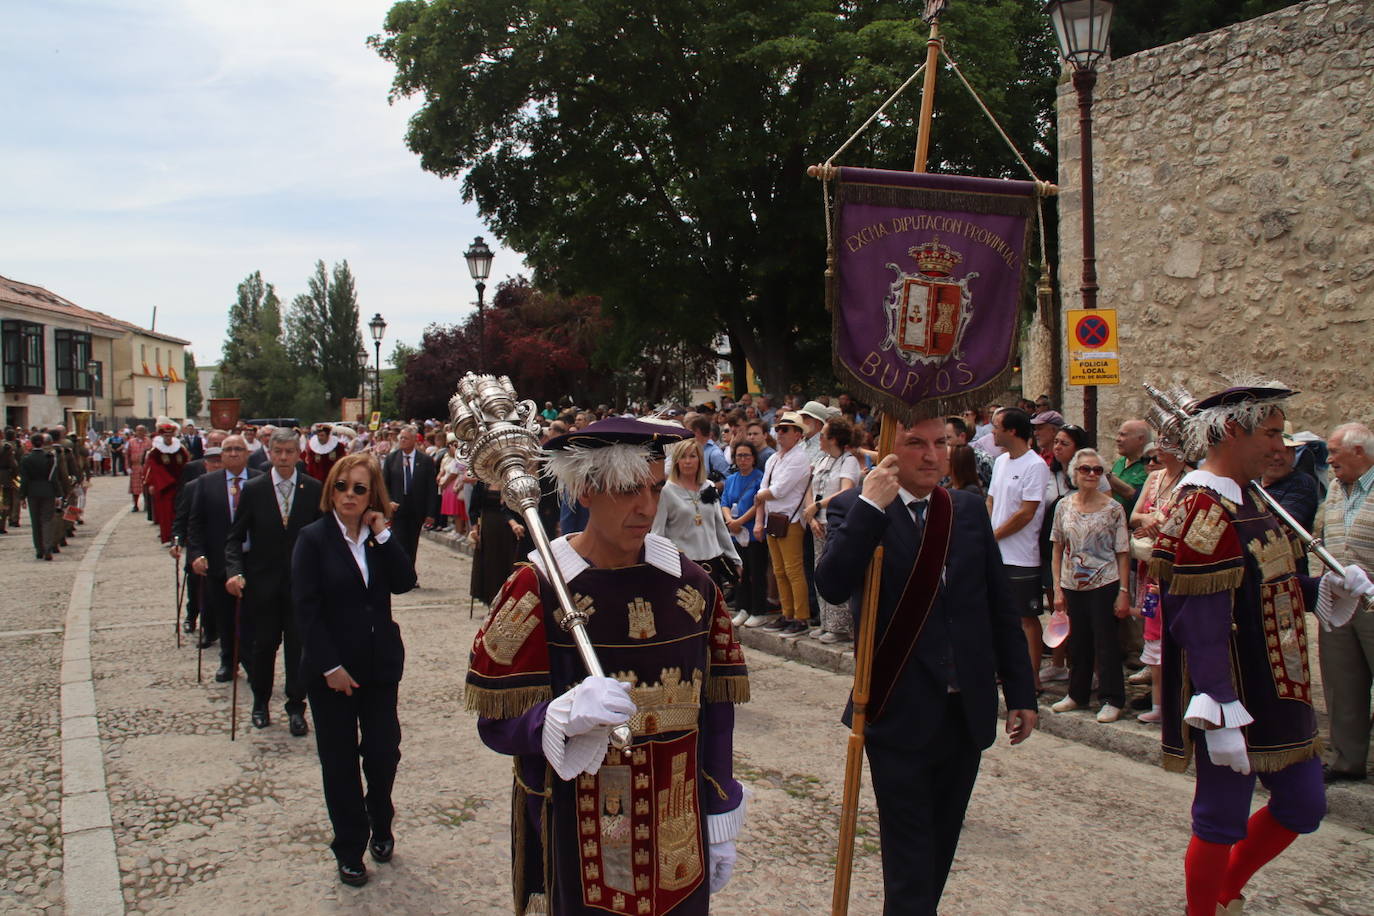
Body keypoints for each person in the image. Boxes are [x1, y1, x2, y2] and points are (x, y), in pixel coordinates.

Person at [466, 417, 749, 916]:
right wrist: (556, 718)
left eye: (655, 488)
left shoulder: (692, 587)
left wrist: (721, 810)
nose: (645, 506)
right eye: (626, 489)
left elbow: (716, 714)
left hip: (677, 832)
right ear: (587, 491)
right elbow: (496, 720)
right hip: (580, 834)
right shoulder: (537, 588)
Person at [1147, 381, 1374, 916]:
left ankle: (1226, 888)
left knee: (1303, 804)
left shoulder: (1251, 496)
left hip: (1280, 684)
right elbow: (1195, 618)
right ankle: (1206, 907)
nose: (1282, 446)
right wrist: (1218, 705)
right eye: (1271, 434)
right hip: (1234, 690)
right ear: (1230, 432)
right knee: (1220, 818)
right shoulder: (1203, 508)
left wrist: (1329, 587)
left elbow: (1268, 585)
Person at [815, 415, 1037, 915]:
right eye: (916, 444)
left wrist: (1021, 692)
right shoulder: (858, 507)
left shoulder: (965, 509)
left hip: (965, 710)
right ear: (890, 447)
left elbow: (998, 605)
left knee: (939, 847)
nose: (932, 456)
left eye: (942, 443)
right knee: (909, 853)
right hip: (897, 705)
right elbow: (831, 583)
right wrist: (873, 503)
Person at [292, 453, 417, 887]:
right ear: (331, 489)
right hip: (333, 673)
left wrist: (383, 534)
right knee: (339, 762)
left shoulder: (377, 538)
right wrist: (330, 665)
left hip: (379, 666)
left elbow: (404, 581)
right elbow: (305, 610)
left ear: (372, 495)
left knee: (383, 754)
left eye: (359, 488)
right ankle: (349, 846)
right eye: (342, 486)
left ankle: (380, 822)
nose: (349, 495)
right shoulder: (313, 539)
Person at [226, 428, 323, 735]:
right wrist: (234, 571)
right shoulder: (254, 490)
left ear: (298, 454)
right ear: (269, 453)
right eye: (277, 451)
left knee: (298, 649)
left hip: (300, 588)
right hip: (262, 585)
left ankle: (296, 707)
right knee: (263, 647)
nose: (283, 458)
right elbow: (235, 538)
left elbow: (323, 538)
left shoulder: (313, 488)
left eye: (289, 452)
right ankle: (260, 702)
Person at [1047, 448, 1131, 723]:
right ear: (1075, 473)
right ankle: (1077, 693)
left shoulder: (1113, 509)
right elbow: (1057, 549)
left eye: (1097, 470)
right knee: (1078, 642)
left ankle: (1111, 698)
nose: (1092, 474)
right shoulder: (1064, 506)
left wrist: (1123, 592)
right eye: (1085, 469)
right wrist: (1058, 588)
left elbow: (1122, 551)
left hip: (1104, 581)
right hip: (1073, 582)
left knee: (1106, 642)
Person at [1314, 422, 1374, 784]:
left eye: (1335, 451)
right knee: (1341, 680)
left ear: (1359, 452)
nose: (1329, 458)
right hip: (1339, 600)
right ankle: (1347, 759)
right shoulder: (1335, 487)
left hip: (1373, 600)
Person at [986, 407, 1053, 691]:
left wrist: (995, 535)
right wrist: (987, 531)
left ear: (1012, 431)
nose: (992, 432)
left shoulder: (1035, 465)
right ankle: (1004, 668)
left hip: (1021, 556)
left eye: (996, 426)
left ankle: (1031, 676)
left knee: (1026, 618)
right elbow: (991, 500)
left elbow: (1027, 512)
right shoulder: (1001, 461)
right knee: (999, 615)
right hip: (997, 551)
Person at [187, 435, 262, 683]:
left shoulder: (261, 480)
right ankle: (228, 660)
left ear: (247, 452)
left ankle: (253, 663)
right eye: (228, 449)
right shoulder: (206, 483)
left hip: (254, 559)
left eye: (238, 449)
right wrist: (196, 554)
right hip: (218, 560)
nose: (232, 454)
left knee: (252, 617)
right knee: (225, 615)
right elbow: (195, 523)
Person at [1127, 434, 1190, 724]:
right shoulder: (1155, 479)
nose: (1157, 453)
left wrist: (1158, 523)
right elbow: (1135, 515)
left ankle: (1181, 698)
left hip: (1177, 564)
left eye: (1165, 447)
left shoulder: (1192, 480)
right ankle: (1159, 702)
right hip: (1151, 564)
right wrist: (1150, 521)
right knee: (1153, 626)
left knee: (1177, 629)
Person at [750, 411, 812, 633]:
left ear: (798, 434)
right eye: (778, 429)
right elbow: (766, 491)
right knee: (779, 570)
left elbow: (778, 490)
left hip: (791, 519)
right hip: (774, 518)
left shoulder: (800, 458)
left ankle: (801, 617)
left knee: (793, 569)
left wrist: (761, 496)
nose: (780, 433)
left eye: (785, 429)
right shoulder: (775, 458)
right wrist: (760, 514)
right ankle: (787, 613)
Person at [803, 416, 862, 644]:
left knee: (835, 570)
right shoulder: (823, 460)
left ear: (834, 439)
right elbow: (810, 485)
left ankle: (840, 626)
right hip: (817, 522)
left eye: (824, 435)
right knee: (819, 570)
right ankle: (826, 622)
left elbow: (846, 491)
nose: (820, 439)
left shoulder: (849, 462)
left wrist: (818, 505)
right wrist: (811, 514)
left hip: (836, 522)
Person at [653, 438, 740, 589]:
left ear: (699, 460)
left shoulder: (709, 486)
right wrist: (659, 566)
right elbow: (658, 532)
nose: (688, 461)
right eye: (683, 456)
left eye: (692, 456)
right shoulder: (666, 491)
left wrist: (735, 559)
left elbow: (720, 528)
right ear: (676, 461)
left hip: (711, 562)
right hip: (682, 565)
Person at [722, 441, 765, 628]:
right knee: (739, 572)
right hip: (734, 532)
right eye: (739, 455)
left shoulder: (759, 477)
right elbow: (724, 501)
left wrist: (739, 521)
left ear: (753, 458)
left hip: (752, 531)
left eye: (746, 455)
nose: (742, 459)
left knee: (755, 572)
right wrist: (730, 521)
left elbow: (758, 504)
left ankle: (758, 610)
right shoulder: (731, 479)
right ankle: (743, 608)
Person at [381, 426, 438, 564]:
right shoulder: (391, 459)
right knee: (399, 542)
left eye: (405, 438)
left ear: (414, 439)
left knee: (412, 543)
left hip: (417, 509)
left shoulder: (425, 461)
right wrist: (388, 502)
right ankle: (400, 574)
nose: (402, 440)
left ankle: (410, 574)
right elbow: (384, 485)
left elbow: (431, 488)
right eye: (401, 438)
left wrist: (431, 513)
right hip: (397, 508)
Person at [144, 419, 191, 544]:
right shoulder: (155, 452)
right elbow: (153, 469)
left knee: (182, 511)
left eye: (170, 435)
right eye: (166, 435)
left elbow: (187, 464)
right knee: (167, 512)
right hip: (165, 486)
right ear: (161, 435)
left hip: (181, 485)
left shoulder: (180, 449)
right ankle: (171, 536)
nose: (168, 437)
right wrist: (153, 483)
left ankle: (183, 536)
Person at [19, 433, 58, 560]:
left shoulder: (26, 459)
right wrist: (59, 494)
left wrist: (22, 496)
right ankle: (48, 548)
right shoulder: (50, 458)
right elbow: (54, 478)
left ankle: (38, 549)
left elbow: (24, 480)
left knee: (35, 521)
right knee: (47, 520)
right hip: (48, 491)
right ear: (42, 443)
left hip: (32, 492)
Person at [1108, 419, 1151, 513]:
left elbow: (1133, 495)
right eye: (1118, 434)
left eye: (1123, 435)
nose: (1117, 439)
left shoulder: (1150, 466)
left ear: (1140, 439)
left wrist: (1107, 475)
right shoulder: (1120, 462)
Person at [125, 425, 152, 513]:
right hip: (135, 467)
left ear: (145, 431)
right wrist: (128, 467)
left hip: (145, 467)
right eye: (138, 430)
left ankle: (147, 505)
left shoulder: (149, 441)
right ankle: (135, 505)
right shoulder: (131, 442)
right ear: (136, 432)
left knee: (146, 486)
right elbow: (127, 455)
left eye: (142, 430)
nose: (140, 432)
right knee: (135, 488)